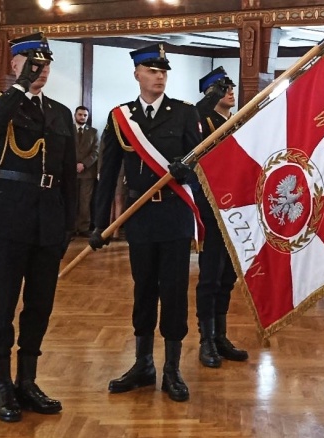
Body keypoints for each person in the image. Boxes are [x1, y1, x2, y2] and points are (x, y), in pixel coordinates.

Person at [89, 43, 203, 403]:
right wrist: (98, 223)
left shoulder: (184, 114)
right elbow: (107, 173)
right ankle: (143, 364)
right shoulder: (120, 117)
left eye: (163, 71)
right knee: (143, 290)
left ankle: (171, 368)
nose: (159, 76)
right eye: (152, 70)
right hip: (140, 218)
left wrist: (190, 172)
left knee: (172, 291)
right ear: (137, 73)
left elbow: (204, 165)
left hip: (173, 214)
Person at [0, 32, 76, 423]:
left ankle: (27, 380)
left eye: (46, 64)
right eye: (33, 63)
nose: (41, 70)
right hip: (10, 216)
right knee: (2, 302)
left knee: (40, 304)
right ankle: (2, 383)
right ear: (14, 64)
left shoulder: (59, 111)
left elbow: (68, 173)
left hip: (49, 218)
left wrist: (69, 223)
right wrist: (19, 86)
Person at [193, 66, 248, 369]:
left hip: (235, 208)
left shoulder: (235, 123)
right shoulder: (202, 122)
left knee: (227, 276)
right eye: (223, 87)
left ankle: (221, 335)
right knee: (210, 276)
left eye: (231, 86)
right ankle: (206, 339)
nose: (231, 91)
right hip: (211, 208)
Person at [73, 105, 98, 237]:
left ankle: (83, 227)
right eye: (80, 114)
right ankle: (71, 228)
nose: (82, 117)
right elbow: (65, 149)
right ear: (75, 115)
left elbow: (96, 152)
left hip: (87, 173)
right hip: (70, 172)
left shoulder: (93, 132)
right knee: (71, 200)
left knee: (85, 201)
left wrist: (84, 164)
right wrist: (74, 165)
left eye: (85, 115)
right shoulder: (68, 130)